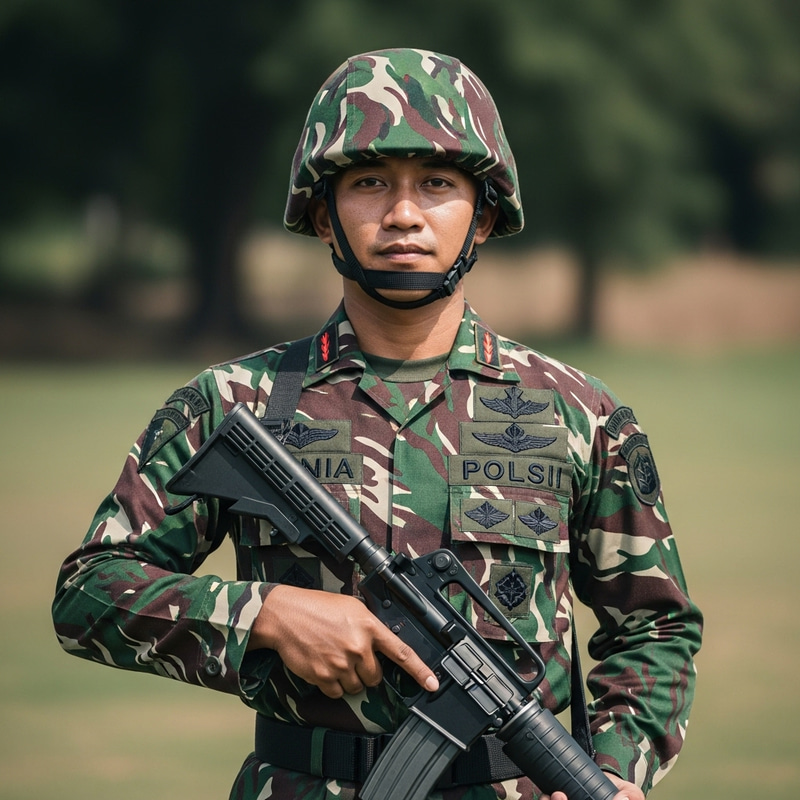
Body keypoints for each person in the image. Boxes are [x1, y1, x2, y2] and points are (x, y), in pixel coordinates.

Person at [52, 48, 702, 800]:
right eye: (368, 184)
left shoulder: (577, 413)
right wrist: (263, 615)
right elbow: (88, 591)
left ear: (485, 213)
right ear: (323, 216)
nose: (401, 214)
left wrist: (618, 773)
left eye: (436, 183)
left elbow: (656, 630)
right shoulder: (233, 403)